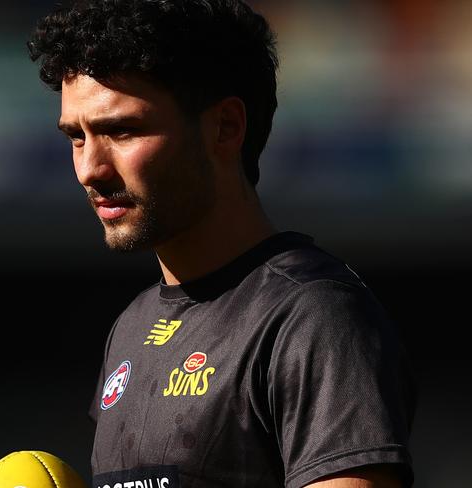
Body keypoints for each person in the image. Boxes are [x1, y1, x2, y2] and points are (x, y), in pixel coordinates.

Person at [27, 1, 417, 487]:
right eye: (77, 137)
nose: (90, 169)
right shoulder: (132, 326)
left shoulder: (313, 316)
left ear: (225, 127)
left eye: (122, 130)